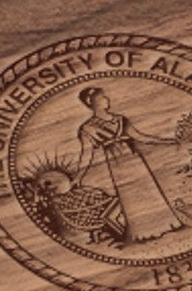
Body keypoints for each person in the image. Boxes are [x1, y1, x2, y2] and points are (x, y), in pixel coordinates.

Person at [74, 86, 182, 243]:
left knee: (149, 190)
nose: (107, 99)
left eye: (105, 97)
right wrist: (78, 177)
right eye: (102, 98)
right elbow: (86, 154)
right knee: (131, 198)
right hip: (117, 166)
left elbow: (141, 137)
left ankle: (165, 224)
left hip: (135, 160)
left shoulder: (120, 119)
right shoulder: (87, 128)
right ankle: (142, 232)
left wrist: (167, 141)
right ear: (93, 102)